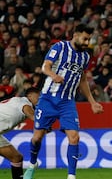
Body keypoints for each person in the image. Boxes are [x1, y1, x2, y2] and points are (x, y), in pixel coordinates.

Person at [23, 25, 104, 179]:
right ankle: (33, 164)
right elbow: (45, 67)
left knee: (74, 137)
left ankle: (71, 177)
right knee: (37, 138)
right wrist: (53, 75)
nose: (87, 42)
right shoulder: (60, 47)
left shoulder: (85, 57)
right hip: (47, 99)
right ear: (76, 35)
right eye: (85, 38)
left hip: (67, 102)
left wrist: (92, 102)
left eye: (89, 39)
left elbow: (82, 78)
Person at [0, 88, 40, 179]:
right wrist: (41, 123)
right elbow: (30, 113)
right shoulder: (23, 102)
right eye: (38, 96)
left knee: (16, 157)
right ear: (29, 96)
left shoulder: (16, 102)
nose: (40, 98)